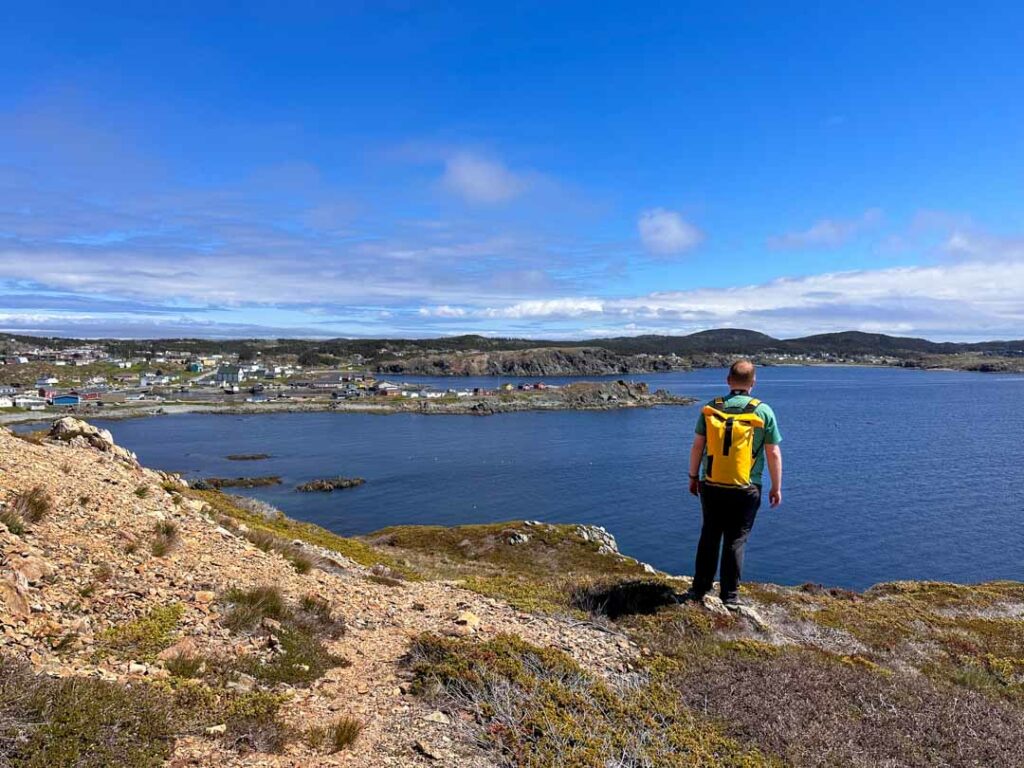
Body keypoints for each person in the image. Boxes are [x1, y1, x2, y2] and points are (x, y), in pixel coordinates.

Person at [685, 359, 782, 608]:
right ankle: (729, 597)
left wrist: (693, 477)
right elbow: (773, 453)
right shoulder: (763, 411)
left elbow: (698, 446)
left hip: (712, 483)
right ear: (753, 383)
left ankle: (699, 588)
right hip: (747, 487)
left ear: (728, 380)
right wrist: (776, 487)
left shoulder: (711, 408)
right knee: (735, 540)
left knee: (709, 535)